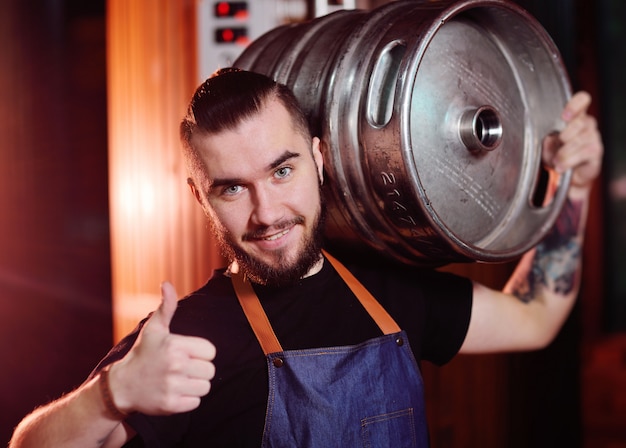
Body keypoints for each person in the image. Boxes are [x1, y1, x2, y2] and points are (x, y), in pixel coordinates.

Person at [9, 68, 603, 447]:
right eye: (232, 187)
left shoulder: (390, 291)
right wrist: (112, 394)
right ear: (201, 198)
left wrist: (571, 186)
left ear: (318, 159)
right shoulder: (191, 335)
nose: (267, 213)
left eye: (282, 170)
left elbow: (536, 315)